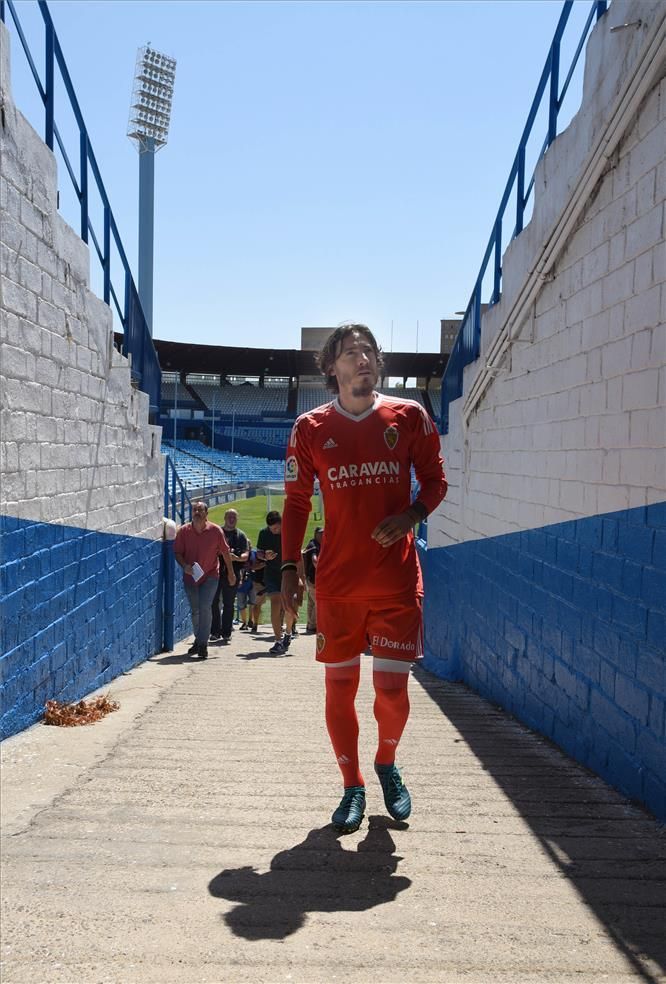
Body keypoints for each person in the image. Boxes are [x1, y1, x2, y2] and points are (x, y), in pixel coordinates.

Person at [280, 324, 447, 833]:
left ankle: (386, 764)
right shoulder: (309, 428)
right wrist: (289, 568)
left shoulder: (410, 416)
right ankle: (352, 785)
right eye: (351, 353)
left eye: (369, 351)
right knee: (339, 692)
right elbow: (295, 503)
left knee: (392, 693)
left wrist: (412, 515)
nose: (362, 359)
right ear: (332, 368)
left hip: (395, 582)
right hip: (338, 585)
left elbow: (437, 482)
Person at [174, 501, 236, 659]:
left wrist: (231, 573)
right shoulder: (183, 531)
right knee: (195, 610)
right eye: (195, 510)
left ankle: (203, 645)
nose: (197, 512)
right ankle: (199, 638)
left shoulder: (216, 531)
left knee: (205, 607)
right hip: (190, 577)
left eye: (200, 510)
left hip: (210, 575)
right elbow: (178, 553)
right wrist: (184, 565)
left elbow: (225, 552)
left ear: (206, 514)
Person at [256, 511, 298, 655]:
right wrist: (265, 556)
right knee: (275, 603)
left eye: (276, 528)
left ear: (282, 524)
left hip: (287, 572)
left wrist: (300, 577)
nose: (274, 531)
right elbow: (259, 553)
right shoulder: (263, 533)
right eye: (271, 529)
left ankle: (288, 633)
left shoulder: (289, 532)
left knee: (288, 606)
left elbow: (297, 554)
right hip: (272, 574)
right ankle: (278, 640)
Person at [211, 509, 249, 643]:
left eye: (234, 517)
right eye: (229, 516)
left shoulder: (241, 536)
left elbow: (245, 555)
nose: (231, 519)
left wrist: (235, 558)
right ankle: (214, 631)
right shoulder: (217, 533)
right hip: (215, 572)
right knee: (213, 603)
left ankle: (226, 632)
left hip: (232, 574)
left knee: (229, 603)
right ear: (225, 517)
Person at [301, 526, 323, 632]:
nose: (322, 535)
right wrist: (324, 568)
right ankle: (313, 625)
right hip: (314, 579)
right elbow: (315, 561)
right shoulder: (314, 545)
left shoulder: (315, 544)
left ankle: (310, 625)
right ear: (316, 534)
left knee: (312, 602)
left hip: (310, 578)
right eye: (320, 534)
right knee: (319, 602)